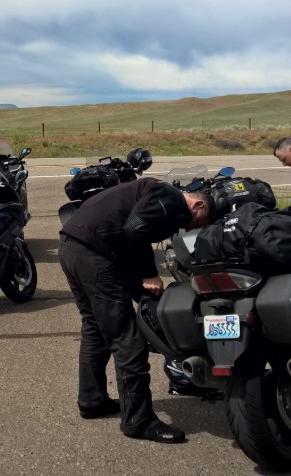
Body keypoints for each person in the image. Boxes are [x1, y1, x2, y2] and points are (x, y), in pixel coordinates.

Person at [58, 177, 213, 444]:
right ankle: (138, 421)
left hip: (73, 247)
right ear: (198, 204)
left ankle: (92, 400)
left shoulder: (149, 191)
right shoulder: (171, 198)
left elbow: (126, 236)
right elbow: (135, 230)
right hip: (94, 253)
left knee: (95, 327)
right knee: (127, 340)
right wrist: (149, 274)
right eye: (200, 221)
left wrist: (138, 288)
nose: (192, 226)